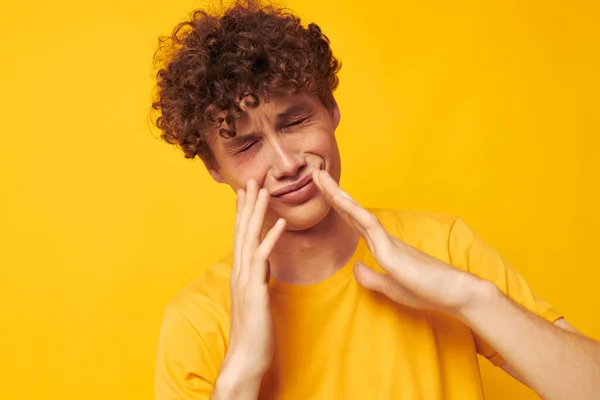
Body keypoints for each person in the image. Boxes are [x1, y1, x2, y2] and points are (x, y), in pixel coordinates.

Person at [151, 1, 600, 399]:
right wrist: (242, 370)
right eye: (247, 146)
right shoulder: (198, 319)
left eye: (295, 121)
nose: (287, 163)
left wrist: (469, 298)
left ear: (331, 109)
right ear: (214, 167)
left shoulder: (441, 244)